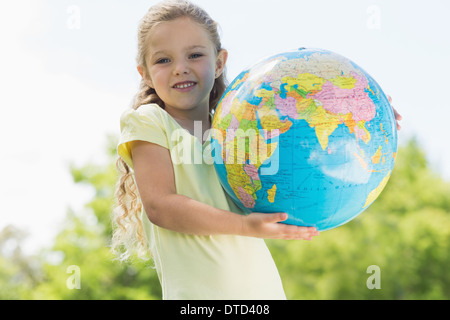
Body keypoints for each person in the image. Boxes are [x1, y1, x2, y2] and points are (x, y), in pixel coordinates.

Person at [112, 0, 402, 300]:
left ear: (220, 61)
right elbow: (161, 205)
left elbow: (300, 142)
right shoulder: (149, 121)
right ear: (144, 73)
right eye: (163, 60)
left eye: (195, 55)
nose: (180, 69)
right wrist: (242, 225)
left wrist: (365, 117)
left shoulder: (237, 133)